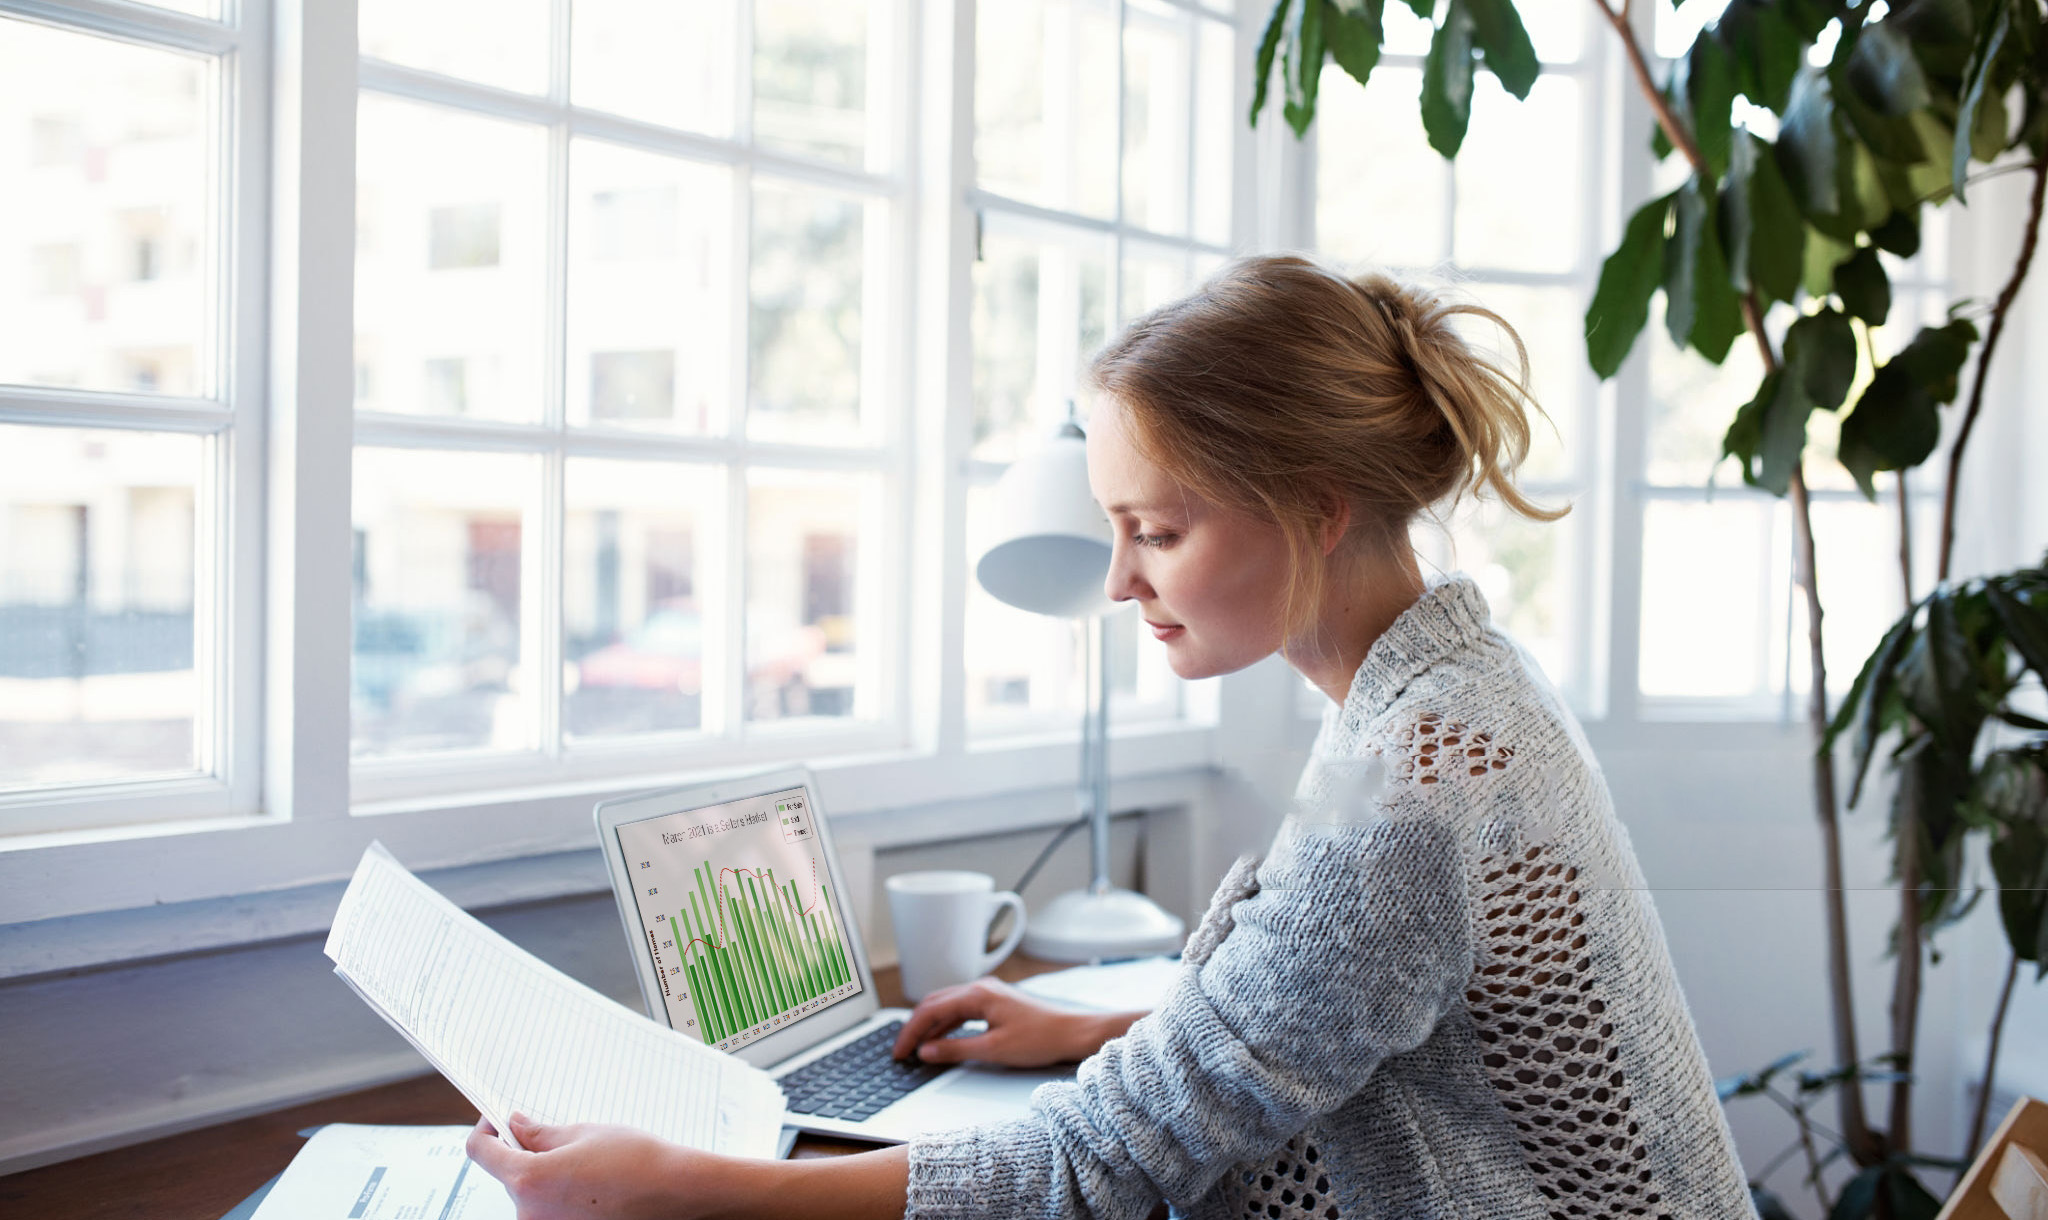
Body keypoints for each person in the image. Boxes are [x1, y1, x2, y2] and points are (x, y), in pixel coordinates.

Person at [464, 254, 1754, 1220]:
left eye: (1161, 530)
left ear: (1312, 510)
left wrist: (679, 1191)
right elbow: (1361, 1005)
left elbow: (1098, 1166)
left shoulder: (1415, 781)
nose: (1121, 580)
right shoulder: (1456, 690)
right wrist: (1095, 1028)